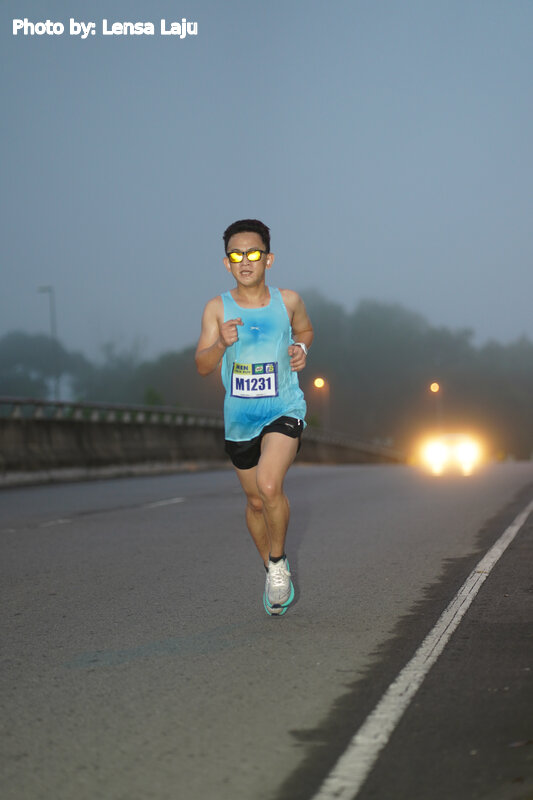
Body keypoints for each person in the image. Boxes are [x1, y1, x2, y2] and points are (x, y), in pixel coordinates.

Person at [195, 219, 314, 616]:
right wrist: (220, 344)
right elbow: (202, 365)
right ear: (226, 263)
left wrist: (300, 349)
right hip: (240, 418)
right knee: (255, 502)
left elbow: (305, 331)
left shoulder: (289, 301)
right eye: (236, 255)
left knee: (268, 484)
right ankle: (271, 568)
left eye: (253, 253)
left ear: (268, 259)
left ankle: (279, 565)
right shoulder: (217, 308)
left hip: (284, 408)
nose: (244, 261)